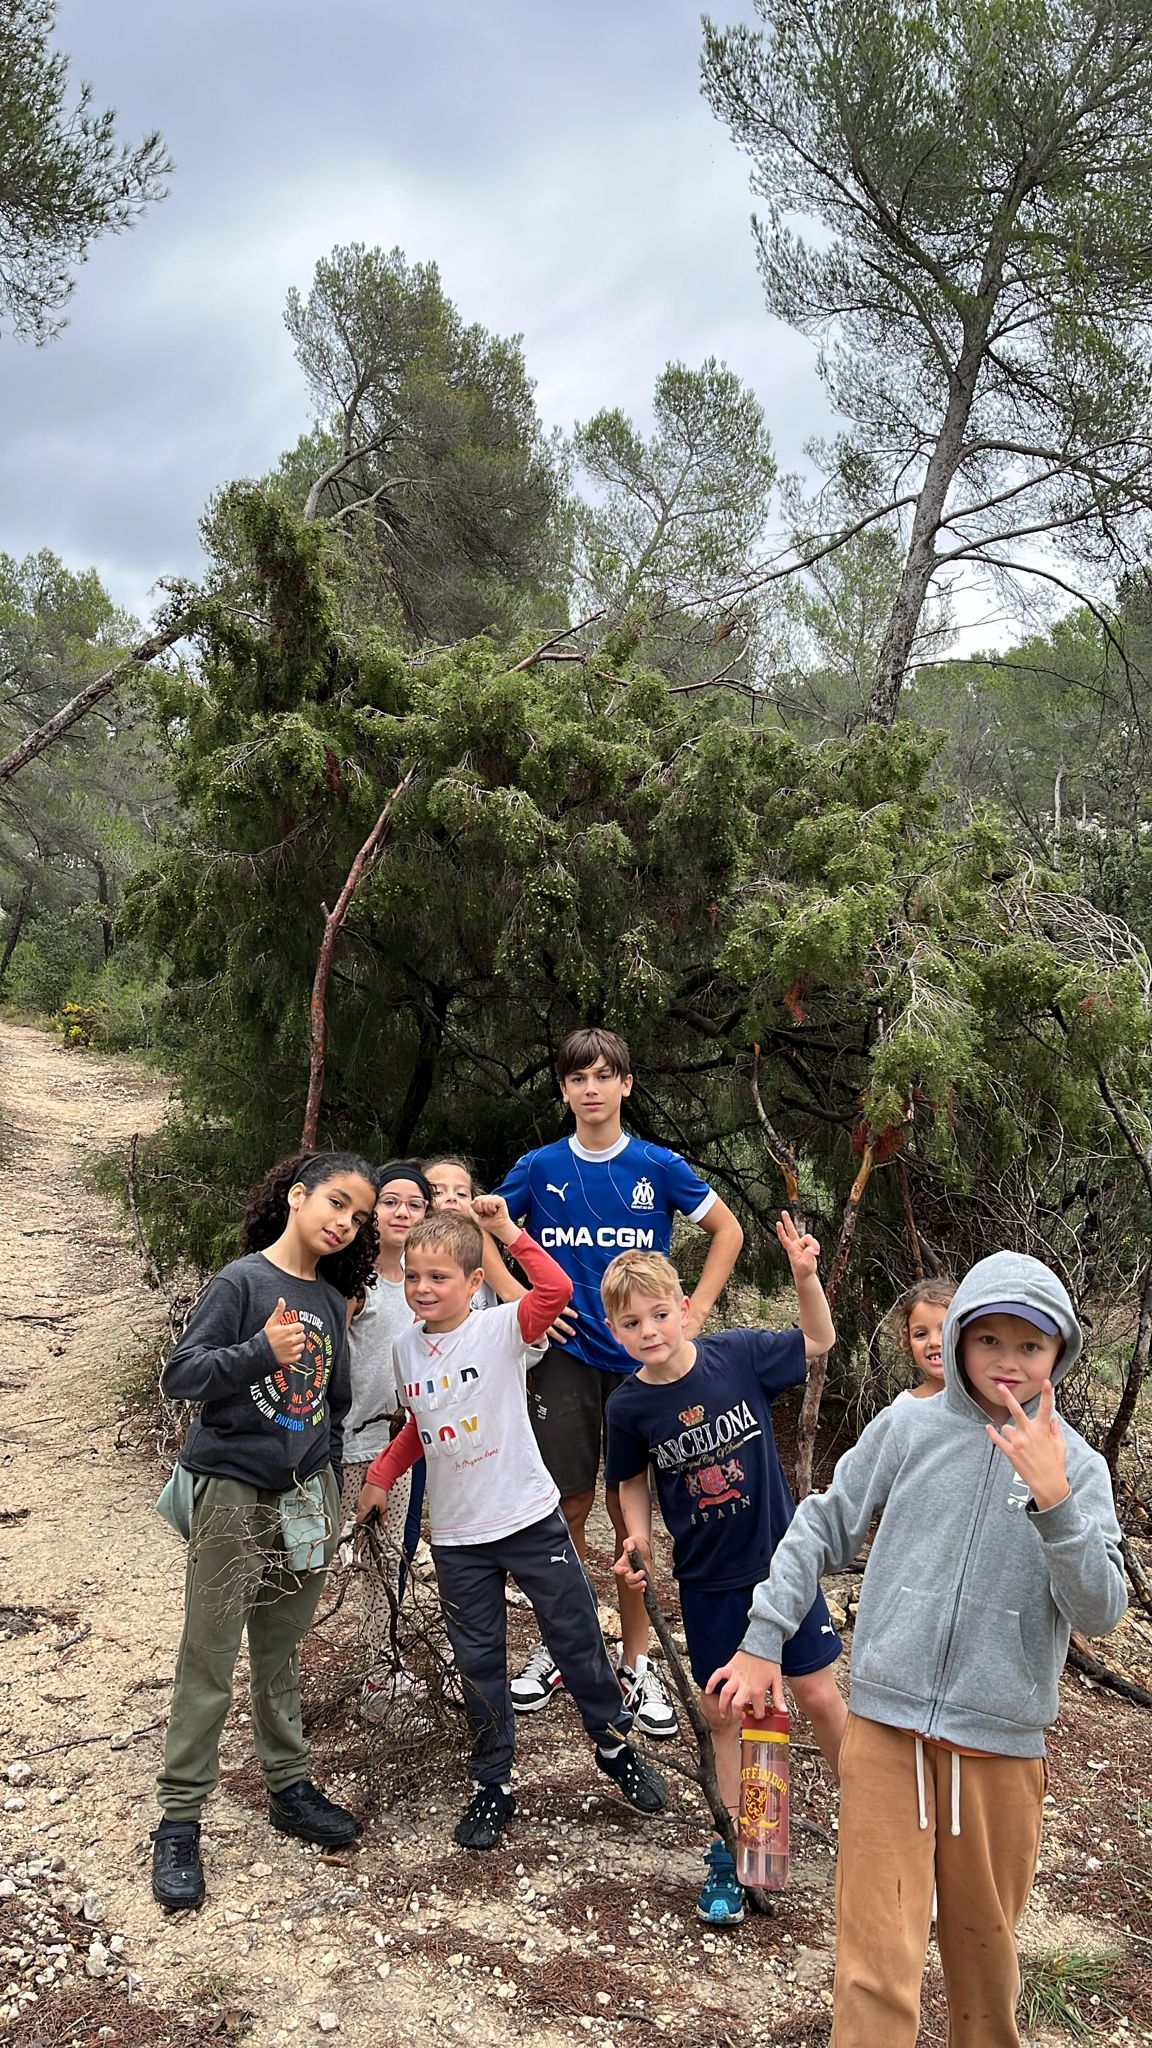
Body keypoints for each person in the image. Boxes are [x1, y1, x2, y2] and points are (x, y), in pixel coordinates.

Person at [708, 1250, 1127, 2048]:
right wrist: (763, 1639)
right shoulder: (909, 1426)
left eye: (1030, 1345)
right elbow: (822, 1524)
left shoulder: (1079, 1466)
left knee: (986, 1968)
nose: (1007, 1361)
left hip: (999, 1750)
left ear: (1060, 1352)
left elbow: (1101, 1611)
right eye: (989, 1339)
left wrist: (1056, 1502)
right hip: (886, 1734)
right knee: (874, 1963)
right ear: (960, 1335)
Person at [355, 1198, 670, 1850]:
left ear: (474, 1281)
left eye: (439, 1277)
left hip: (529, 1518)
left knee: (576, 1638)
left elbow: (554, 1291)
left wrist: (506, 1233)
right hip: (459, 1538)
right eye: (413, 1276)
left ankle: (614, 1746)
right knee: (478, 1662)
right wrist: (381, 1476)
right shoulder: (405, 1350)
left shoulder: (500, 1327)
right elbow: (420, 1425)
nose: (422, 1289)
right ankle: (493, 1782)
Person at [494, 1025, 744, 1738]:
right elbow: (484, 1226)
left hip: (644, 1364)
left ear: (626, 1085)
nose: (592, 1089)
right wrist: (522, 1301)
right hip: (566, 1360)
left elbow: (728, 1231)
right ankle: (562, 1647)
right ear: (564, 1089)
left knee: (633, 1515)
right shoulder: (539, 1167)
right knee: (566, 1506)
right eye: (578, 1078)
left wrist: (694, 1310)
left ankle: (638, 1660)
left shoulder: (657, 1165)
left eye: (604, 1075)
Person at [151, 1150, 379, 1910]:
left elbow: (333, 1405)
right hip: (232, 1493)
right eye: (337, 1203)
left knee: (280, 1652)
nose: (346, 1223)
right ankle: (179, 1821)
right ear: (297, 1196)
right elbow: (181, 1375)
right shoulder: (242, 1282)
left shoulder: (330, 1299)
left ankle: (288, 1788)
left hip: (306, 1497)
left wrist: (330, 1484)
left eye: (359, 1216)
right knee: (210, 1654)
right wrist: (260, 1352)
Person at [604, 1222, 847, 1928]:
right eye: (631, 1323)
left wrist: (805, 1277)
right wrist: (638, 1535)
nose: (649, 1331)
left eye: (659, 1314)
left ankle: (875, 1821)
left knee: (816, 1693)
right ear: (615, 1331)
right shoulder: (628, 1405)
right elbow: (630, 1481)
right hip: (708, 1581)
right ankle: (746, 1850)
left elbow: (819, 1340)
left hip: (781, 1567)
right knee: (728, 1713)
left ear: (684, 1307)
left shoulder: (738, 1355)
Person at [341, 1161, 430, 1722]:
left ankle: (380, 1670)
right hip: (336, 1445)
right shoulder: (353, 1282)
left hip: (391, 1448)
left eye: (414, 1204)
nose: (402, 1212)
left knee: (385, 1558)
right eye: (390, 1201)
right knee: (313, 1556)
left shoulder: (422, 1285)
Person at [423, 1154, 523, 1310]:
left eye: (461, 1194)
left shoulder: (478, 1242)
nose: (451, 1197)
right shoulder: (407, 1247)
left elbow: (512, 1294)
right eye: (437, 1193)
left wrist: (542, 1312)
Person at [886, 1277, 957, 1402]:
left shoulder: (990, 1398)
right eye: (920, 1334)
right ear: (908, 1342)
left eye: (945, 1329)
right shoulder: (905, 1407)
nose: (933, 1342)